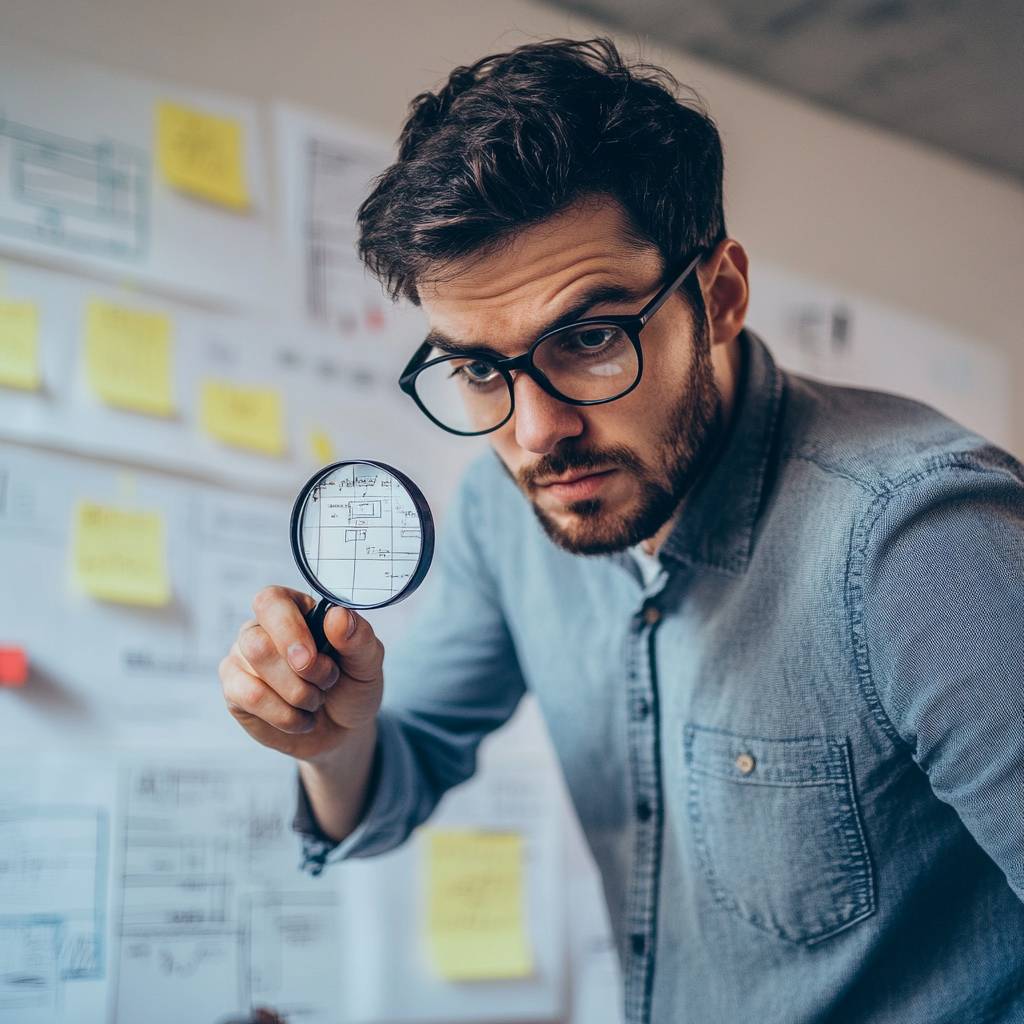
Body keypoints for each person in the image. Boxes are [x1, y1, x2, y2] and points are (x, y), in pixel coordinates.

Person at [218, 38, 1024, 1024]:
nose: (534, 433)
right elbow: (391, 778)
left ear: (720, 294)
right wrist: (329, 740)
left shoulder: (920, 540)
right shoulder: (499, 512)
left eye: (590, 338)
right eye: (477, 369)